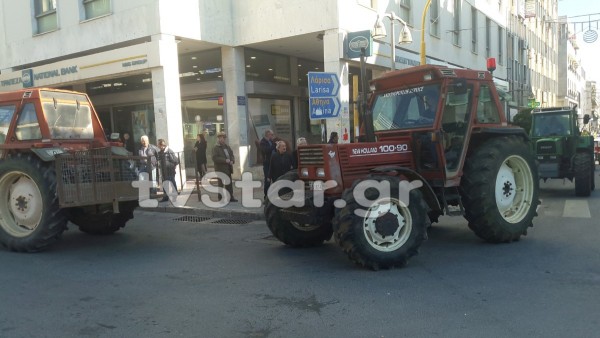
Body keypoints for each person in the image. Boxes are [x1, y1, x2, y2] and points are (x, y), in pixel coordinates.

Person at [212, 131, 237, 202]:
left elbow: (231, 155)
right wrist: (224, 160)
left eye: (223, 138)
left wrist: (232, 160)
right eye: (221, 138)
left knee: (229, 184)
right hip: (220, 169)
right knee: (221, 184)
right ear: (218, 138)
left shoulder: (227, 147)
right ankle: (220, 198)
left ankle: (230, 197)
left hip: (228, 168)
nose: (222, 139)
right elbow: (215, 158)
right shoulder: (216, 147)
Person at [259, 129, 276, 198]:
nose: (273, 136)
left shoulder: (271, 141)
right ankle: (266, 196)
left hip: (274, 163)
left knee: (275, 179)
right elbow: (266, 150)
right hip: (267, 163)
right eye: (272, 135)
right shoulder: (263, 142)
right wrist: (274, 145)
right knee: (267, 180)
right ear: (268, 135)